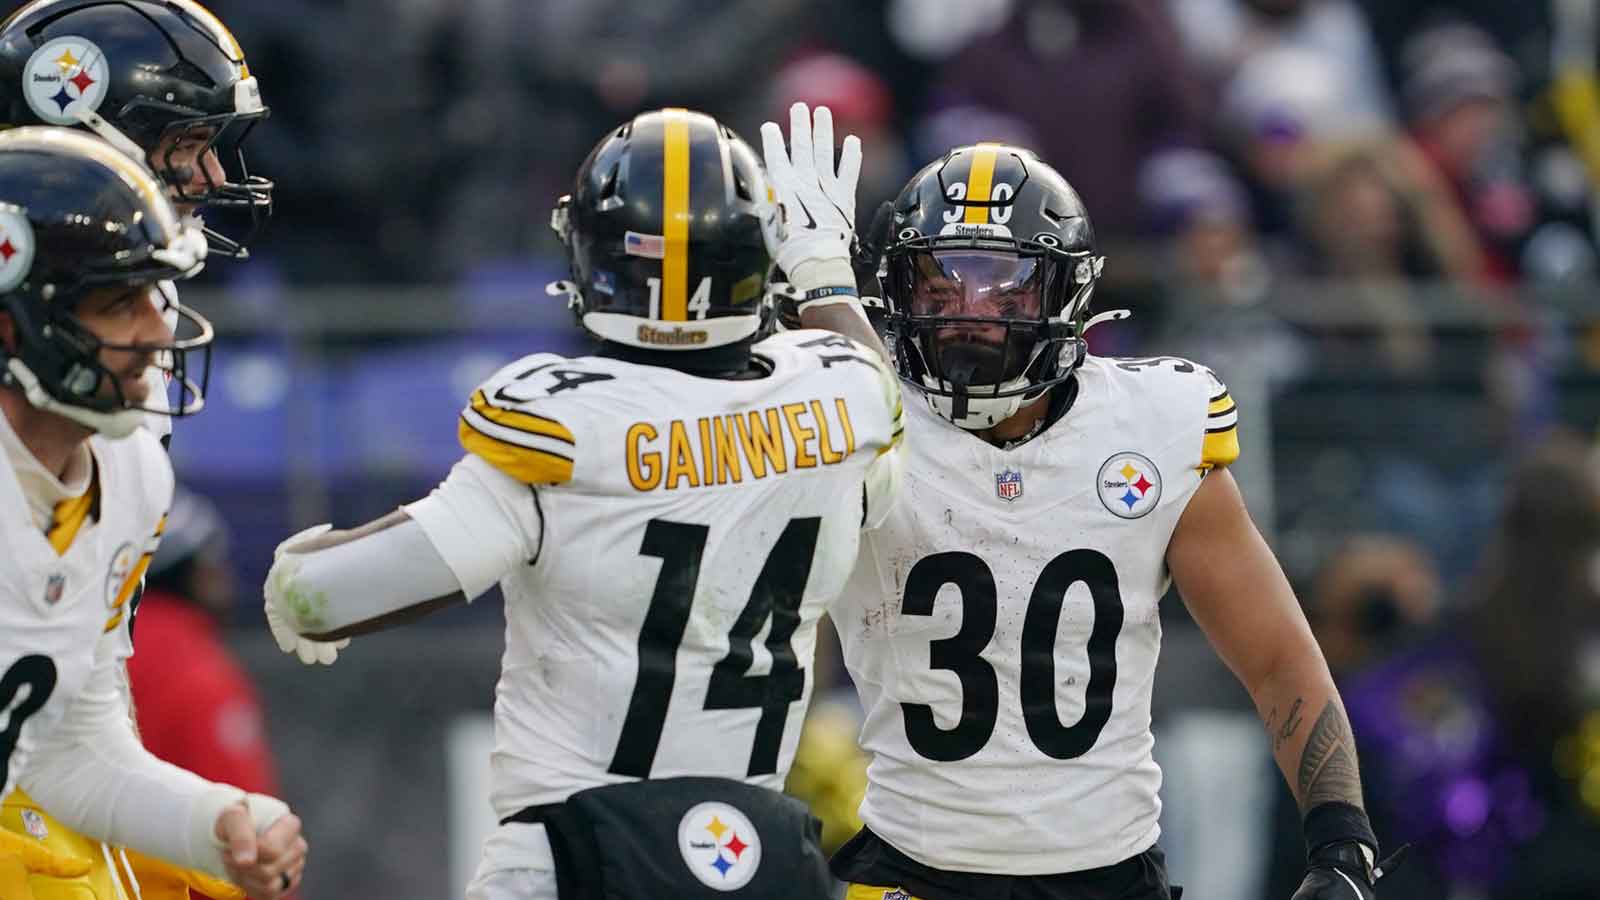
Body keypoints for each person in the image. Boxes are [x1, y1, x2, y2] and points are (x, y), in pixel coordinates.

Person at [261, 107, 905, 900]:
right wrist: (827, 279)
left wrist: (293, 576)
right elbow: (896, 434)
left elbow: (321, 598)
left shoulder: (566, 429)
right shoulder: (844, 397)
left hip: (567, 864)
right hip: (746, 860)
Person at [760, 104, 1400, 899]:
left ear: (1068, 294)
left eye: (1003, 287)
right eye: (940, 282)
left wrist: (1342, 840)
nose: (970, 314)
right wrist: (811, 292)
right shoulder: (863, 416)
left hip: (1111, 876)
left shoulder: (1152, 427)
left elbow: (1277, 661)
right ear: (896, 294)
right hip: (911, 874)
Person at [0, 126, 303, 900]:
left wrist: (212, 818)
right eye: (120, 302)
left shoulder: (130, 469)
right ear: (12, 325)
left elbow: (68, 746)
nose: (159, 329)